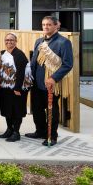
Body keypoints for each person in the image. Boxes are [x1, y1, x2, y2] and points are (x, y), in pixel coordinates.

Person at [27, 16, 73, 146]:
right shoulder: (39, 41)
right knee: (36, 109)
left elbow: (68, 64)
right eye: (43, 25)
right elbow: (34, 61)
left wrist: (53, 78)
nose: (46, 27)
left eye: (48, 25)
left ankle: (52, 136)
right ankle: (40, 131)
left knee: (52, 111)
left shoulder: (63, 42)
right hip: (37, 82)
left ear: (55, 26)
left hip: (52, 84)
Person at [0, 33, 29, 142]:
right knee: (7, 109)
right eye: (7, 40)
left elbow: (21, 73)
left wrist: (17, 88)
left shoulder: (19, 55)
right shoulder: (2, 53)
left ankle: (16, 132)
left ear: (16, 41)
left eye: (11, 40)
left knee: (17, 110)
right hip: (5, 87)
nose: (9, 42)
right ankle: (9, 130)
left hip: (16, 88)